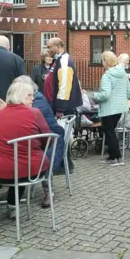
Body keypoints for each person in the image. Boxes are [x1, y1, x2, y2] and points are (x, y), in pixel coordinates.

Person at [0, 81, 52, 232]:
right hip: (35, 169)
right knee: (19, 169)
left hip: (4, 169)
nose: (33, 99)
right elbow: (48, 138)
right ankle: (13, 207)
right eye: (29, 96)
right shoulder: (35, 113)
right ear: (20, 96)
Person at [0, 76, 65, 209]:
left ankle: (48, 192)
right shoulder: (28, 99)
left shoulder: (36, 101)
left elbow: (26, 117)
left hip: (52, 139)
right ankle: (13, 190)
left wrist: (6, 110)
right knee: (16, 155)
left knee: (40, 157)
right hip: (36, 137)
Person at [44, 37, 82, 173]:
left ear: (58, 46)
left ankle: (64, 165)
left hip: (64, 108)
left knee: (61, 136)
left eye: (49, 47)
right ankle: (64, 164)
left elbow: (65, 85)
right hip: (62, 106)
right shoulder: (59, 60)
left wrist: (60, 107)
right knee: (60, 135)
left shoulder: (64, 60)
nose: (47, 50)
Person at [93, 51, 130, 166]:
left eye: (102, 60)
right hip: (120, 108)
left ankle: (113, 158)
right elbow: (129, 91)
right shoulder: (123, 74)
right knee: (112, 132)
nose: (102, 63)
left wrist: (95, 96)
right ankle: (117, 156)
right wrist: (121, 99)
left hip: (108, 109)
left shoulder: (107, 75)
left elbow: (105, 94)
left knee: (110, 133)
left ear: (105, 61)